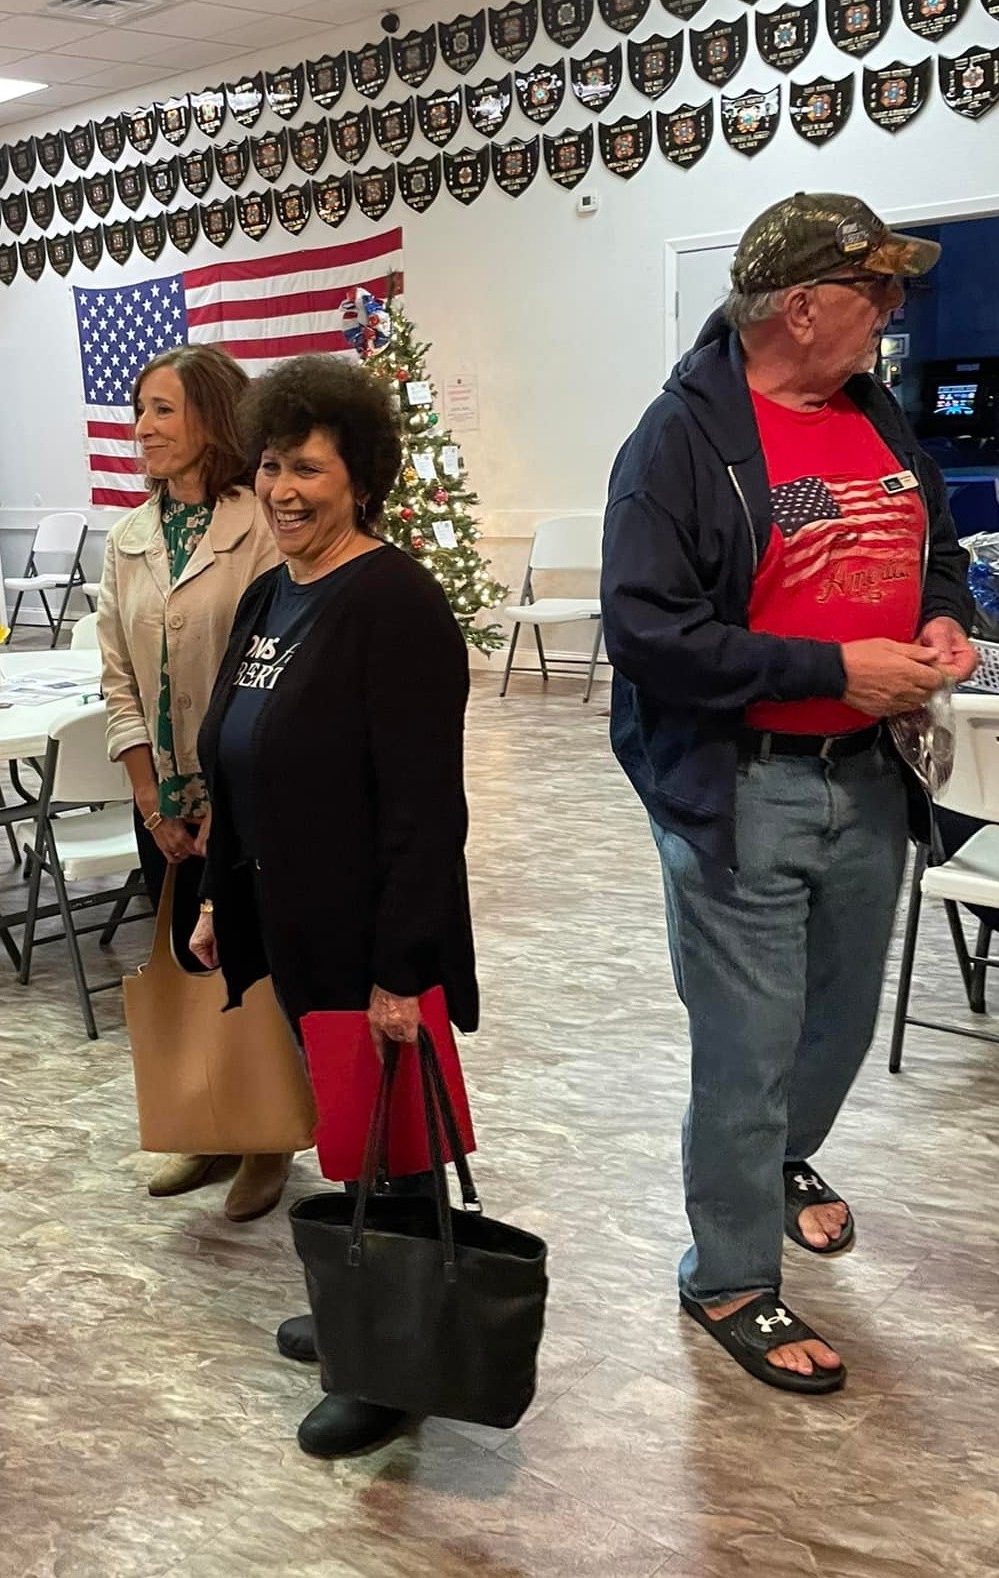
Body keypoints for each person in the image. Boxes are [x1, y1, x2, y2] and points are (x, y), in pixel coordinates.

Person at [601, 193, 976, 1392]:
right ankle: (726, 1274)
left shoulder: (873, 410)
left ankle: (777, 1159)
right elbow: (648, 634)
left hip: (869, 774)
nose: (894, 310)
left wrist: (940, 615)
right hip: (745, 789)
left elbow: (936, 542)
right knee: (746, 1048)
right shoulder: (677, 441)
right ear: (801, 306)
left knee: (839, 1025)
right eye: (875, 289)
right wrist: (832, 670)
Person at [188, 354, 478, 1458]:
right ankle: (364, 1298)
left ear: (361, 477)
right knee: (349, 1130)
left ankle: (394, 1366)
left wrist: (401, 969)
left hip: (370, 936)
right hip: (293, 919)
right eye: (270, 465)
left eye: (307, 468)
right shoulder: (274, 594)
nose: (282, 489)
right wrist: (218, 896)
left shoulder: (394, 603)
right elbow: (238, 760)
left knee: (398, 1143)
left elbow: (424, 808)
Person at [96, 344, 286, 1222]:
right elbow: (117, 677)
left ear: (213, 417)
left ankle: (267, 1136)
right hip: (162, 800)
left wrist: (227, 805)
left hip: (245, 797)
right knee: (184, 956)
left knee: (249, 963)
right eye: (140, 410)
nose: (143, 427)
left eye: (163, 409)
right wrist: (150, 798)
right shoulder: (128, 538)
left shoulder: (260, 526)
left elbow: (270, 670)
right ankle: (207, 1124)